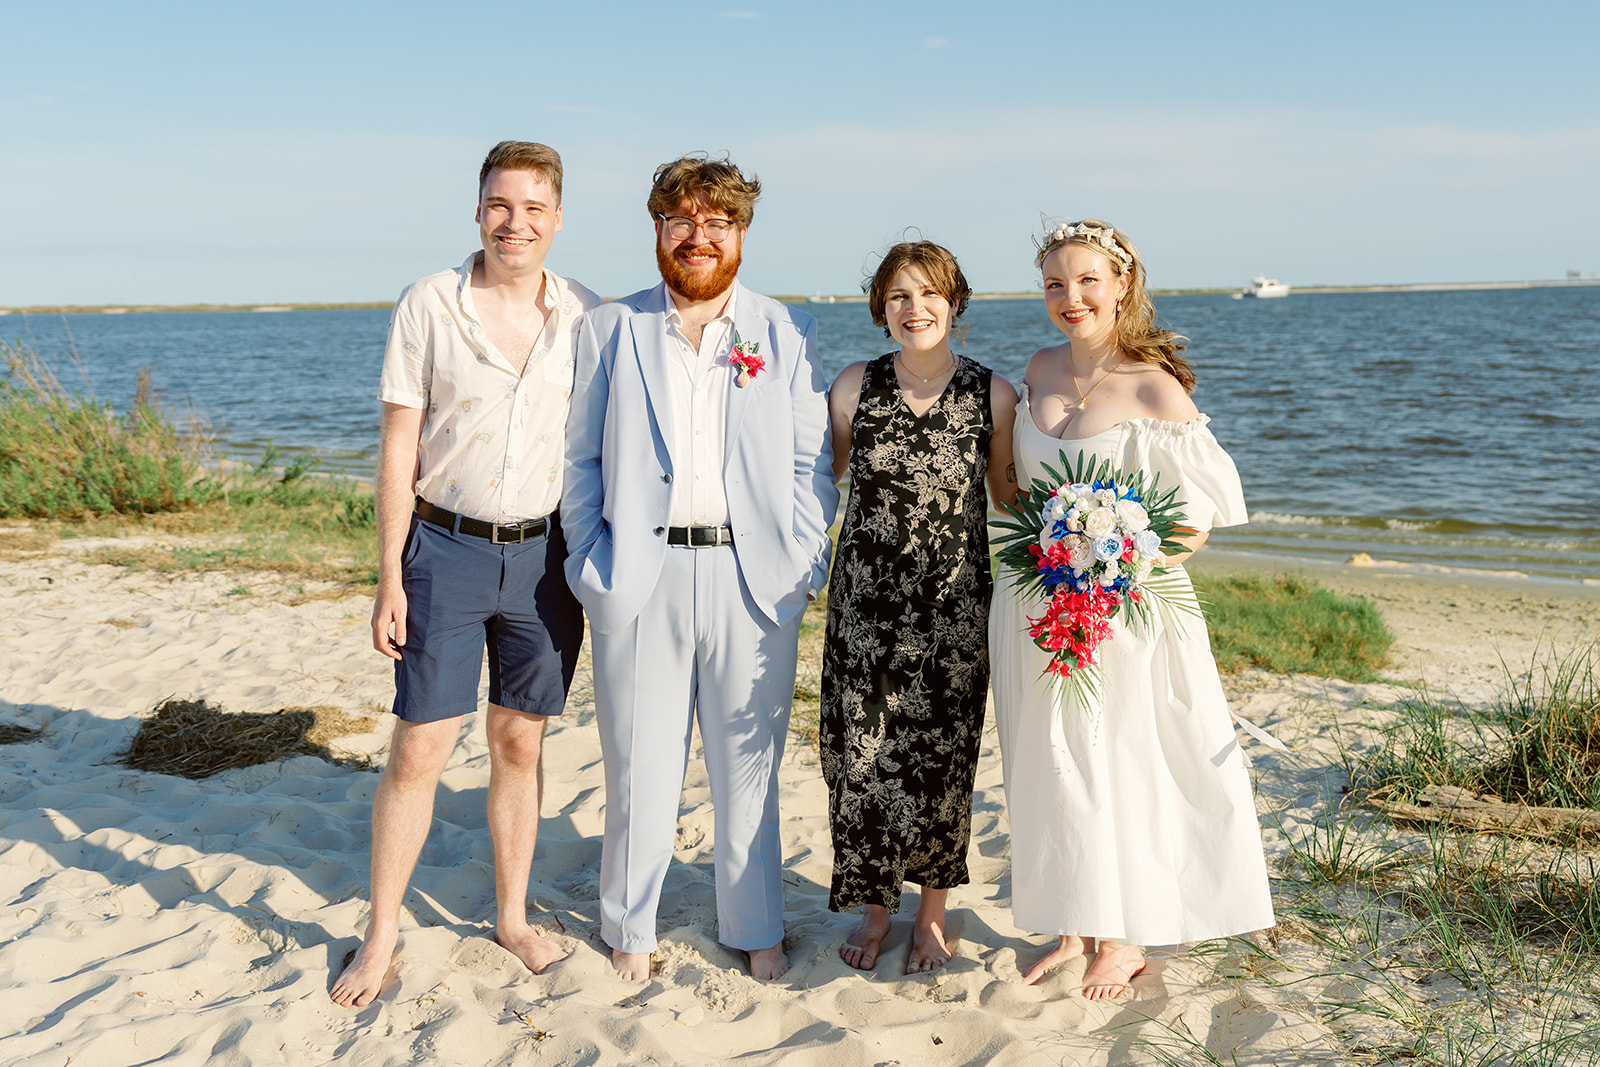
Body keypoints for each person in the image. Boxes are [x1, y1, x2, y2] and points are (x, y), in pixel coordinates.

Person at [331, 141, 601, 1008]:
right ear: (477, 209)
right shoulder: (428, 303)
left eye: (532, 207)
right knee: (421, 746)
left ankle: (514, 917)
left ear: (557, 218)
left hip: (545, 558)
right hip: (441, 551)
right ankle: (381, 933)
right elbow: (399, 445)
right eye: (498, 204)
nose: (513, 222)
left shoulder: (586, 315)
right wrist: (387, 576)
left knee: (520, 741)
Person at [562, 155, 837, 982]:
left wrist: (801, 565)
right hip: (638, 577)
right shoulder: (611, 327)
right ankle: (629, 926)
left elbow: (810, 465)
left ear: (741, 233)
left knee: (748, 766)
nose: (699, 236)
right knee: (638, 765)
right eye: (681, 220)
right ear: (657, 229)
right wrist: (589, 561)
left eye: (717, 222)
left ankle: (755, 923)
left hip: (753, 581)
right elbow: (579, 461)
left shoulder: (784, 330)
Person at [989, 219, 1275, 999]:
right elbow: (1011, 488)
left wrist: (1112, 558)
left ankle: (1123, 936)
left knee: (1121, 760)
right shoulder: (1037, 369)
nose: (1069, 296)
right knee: (1051, 762)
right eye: (1054, 283)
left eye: (1086, 280)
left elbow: (1200, 516)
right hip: (1039, 602)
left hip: (1127, 610)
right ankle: (1075, 922)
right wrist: (1056, 552)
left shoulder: (1154, 384)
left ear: (1122, 284)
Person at [821, 241, 1017, 973]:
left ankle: (932, 916)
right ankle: (878, 909)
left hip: (955, 611)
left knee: (944, 761)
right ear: (881, 307)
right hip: (865, 611)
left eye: (930, 294)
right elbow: (820, 481)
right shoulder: (851, 387)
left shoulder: (993, 394)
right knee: (865, 759)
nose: (916, 308)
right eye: (900, 295)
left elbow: (1008, 496)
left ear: (955, 303)